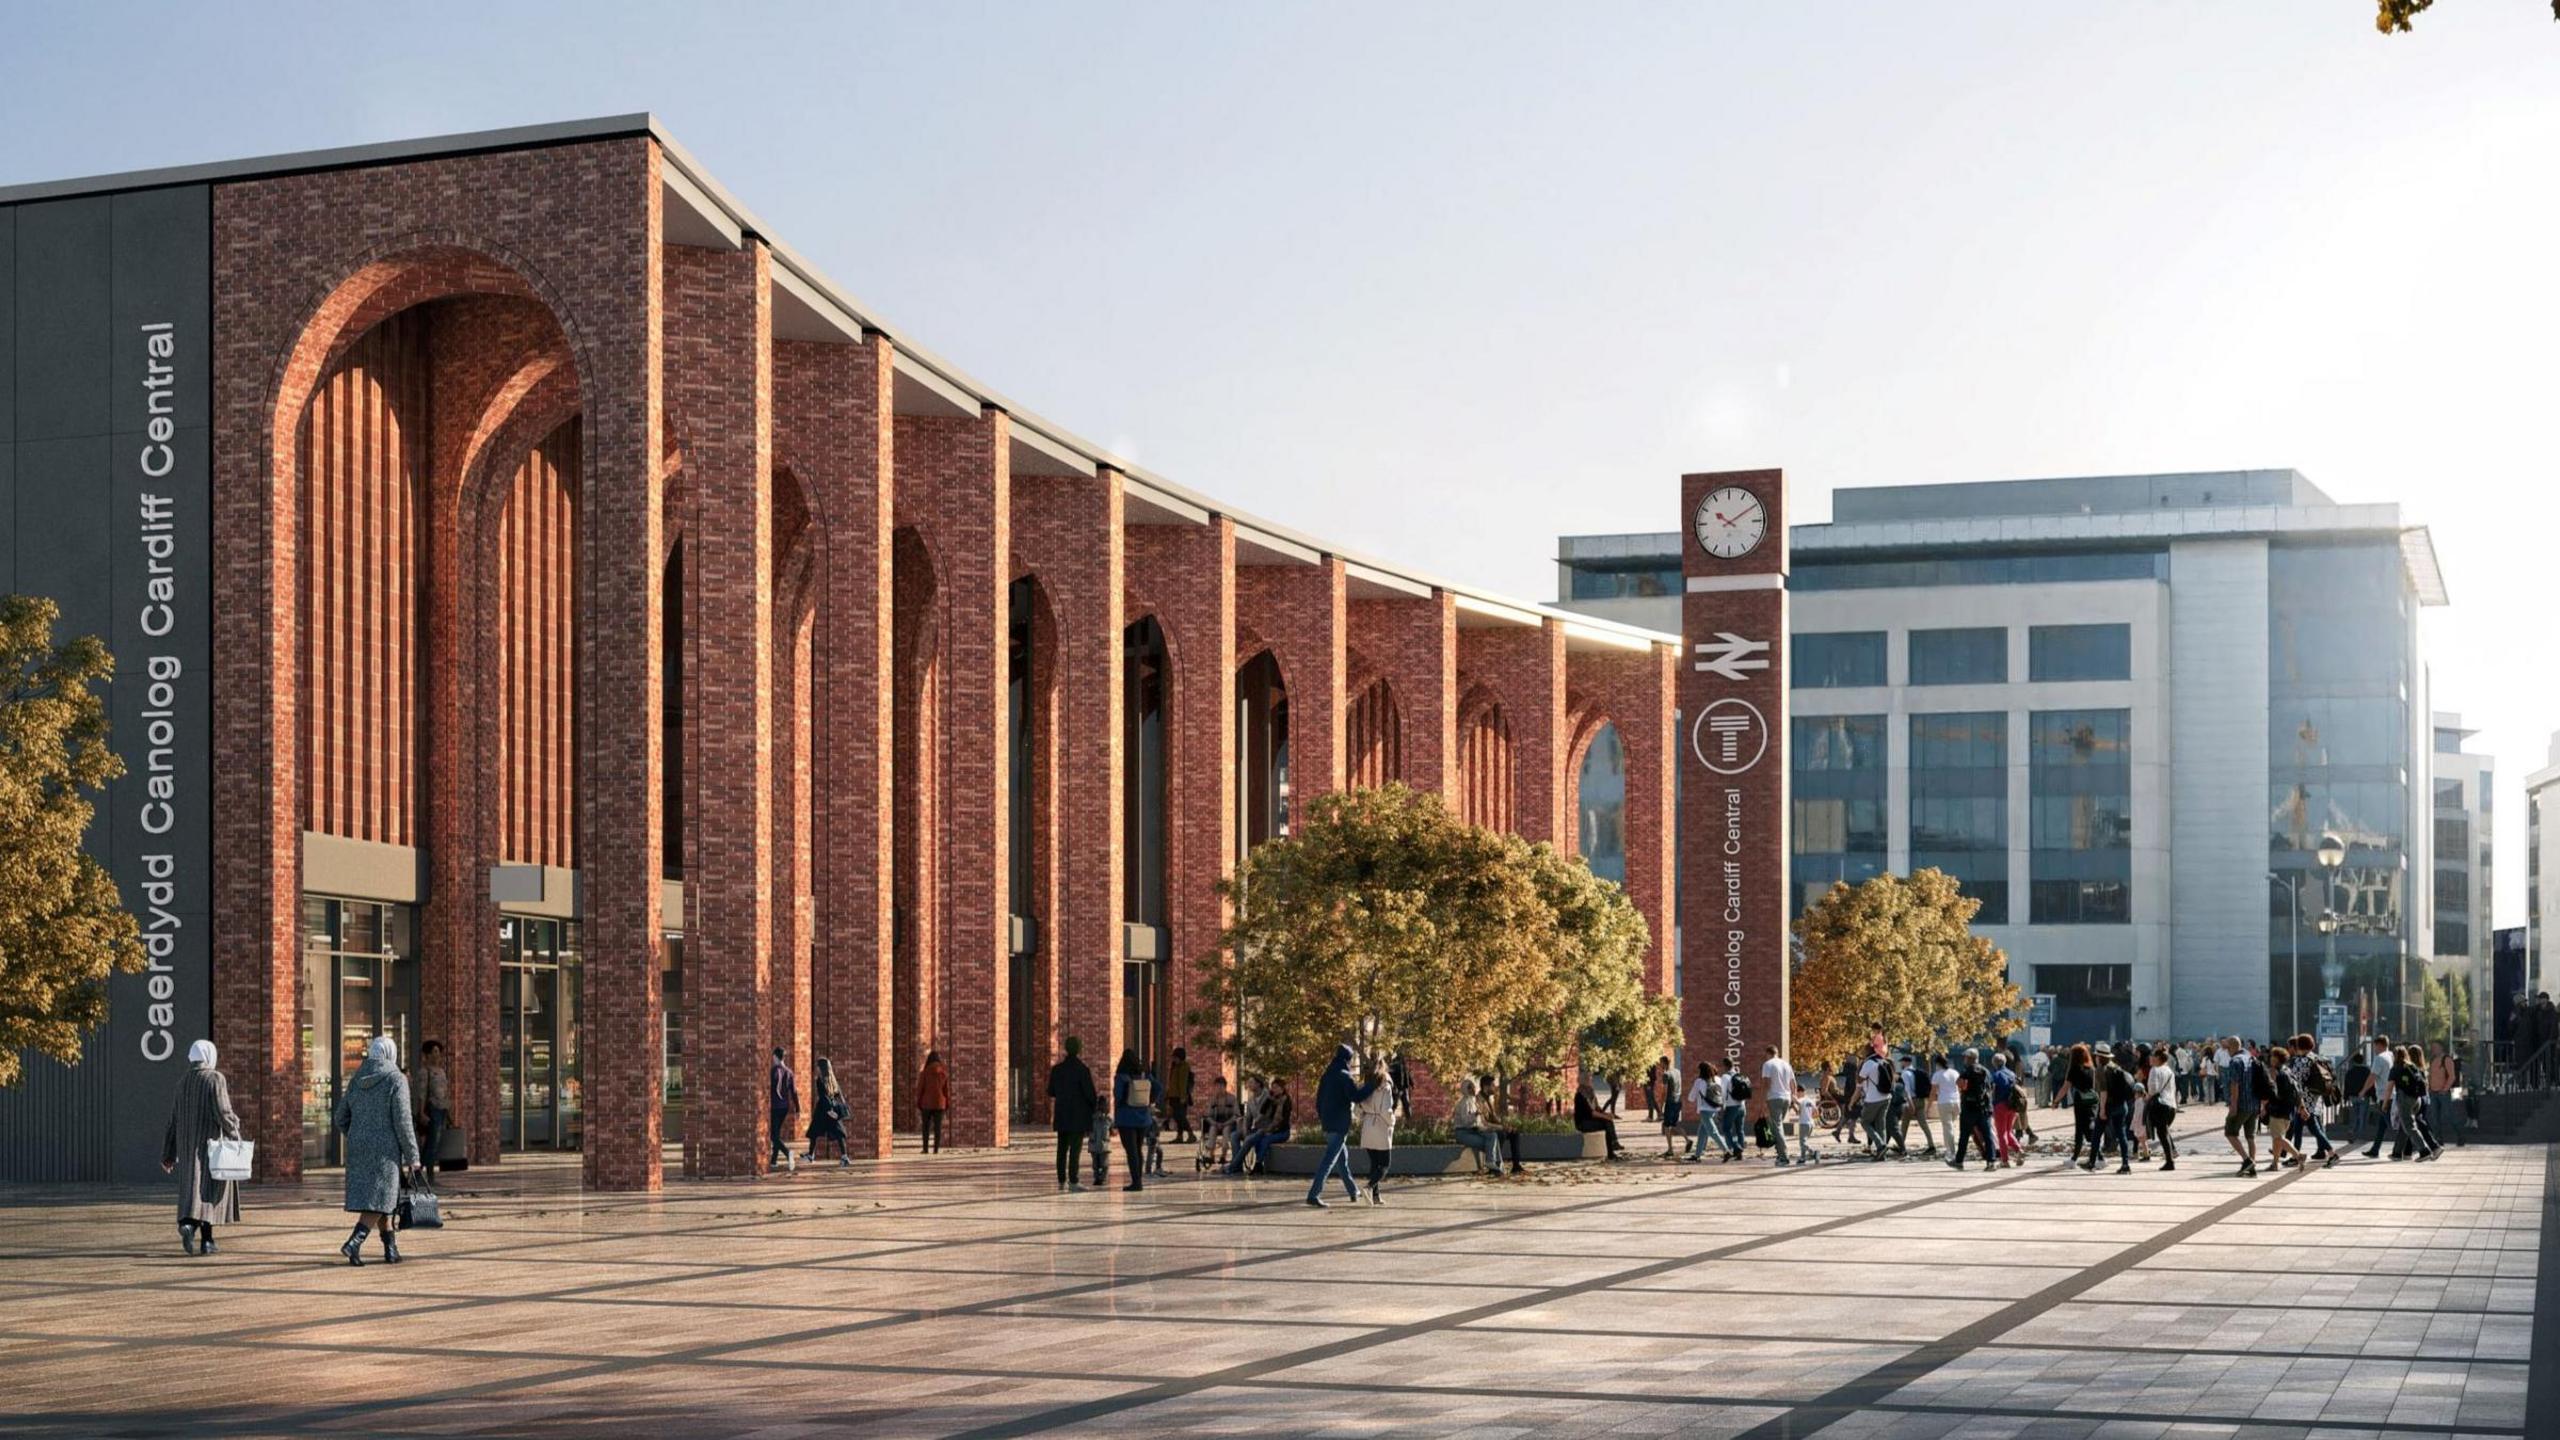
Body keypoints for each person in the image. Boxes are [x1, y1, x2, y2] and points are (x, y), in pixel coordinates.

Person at [335, 1034, 421, 1266]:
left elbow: (340, 1117)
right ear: (390, 1054)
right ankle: (354, 1242)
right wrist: (413, 1156)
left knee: (384, 1198)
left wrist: (356, 1135)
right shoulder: (396, 1079)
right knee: (380, 1198)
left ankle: (390, 1250)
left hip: (358, 1147)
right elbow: (403, 1122)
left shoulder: (357, 1078)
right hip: (385, 1151)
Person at [162, 1038, 242, 1255]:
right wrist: (235, 1132)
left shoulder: (182, 1082)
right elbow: (223, 1112)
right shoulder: (215, 1079)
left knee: (194, 1192)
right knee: (212, 1191)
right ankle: (202, 1237)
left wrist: (168, 1154)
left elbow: (173, 1120)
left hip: (188, 1150)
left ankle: (195, 1230)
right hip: (211, 1147)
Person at [1308, 1043, 1379, 1207]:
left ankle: (1353, 1191)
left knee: (1342, 1161)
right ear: (1348, 1059)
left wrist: (1323, 1117)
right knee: (1329, 1161)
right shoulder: (1345, 1076)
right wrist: (1372, 1085)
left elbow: (1318, 1101)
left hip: (1328, 1123)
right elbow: (1355, 1096)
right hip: (1339, 1124)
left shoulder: (1326, 1075)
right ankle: (1313, 1194)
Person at [1047, 1036, 1099, 1191]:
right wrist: (1093, 1107)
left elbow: (1051, 1091)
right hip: (1078, 1115)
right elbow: (1090, 1094)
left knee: (1061, 1148)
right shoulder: (1082, 1070)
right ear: (1078, 1049)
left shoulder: (1057, 1070)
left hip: (1062, 1114)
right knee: (1075, 1149)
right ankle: (1074, 1180)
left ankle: (1061, 1180)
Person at [1111, 1049, 1156, 1192]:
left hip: (1126, 1118)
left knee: (1131, 1151)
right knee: (1138, 1149)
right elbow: (1158, 1087)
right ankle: (1138, 1180)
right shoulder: (1144, 1075)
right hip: (1143, 1118)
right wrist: (1150, 1101)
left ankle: (1136, 1182)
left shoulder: (1121, 1077)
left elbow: (1117, 1096)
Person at [1232, 1075, 1294, 1175]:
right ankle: (1239, 1166)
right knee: (1236, 1135)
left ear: (1282, 1088)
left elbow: (1281, 1121)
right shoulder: (1271, 1099)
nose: (1274, 1090)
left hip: (1281, 1131)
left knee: (1263, 1139)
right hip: (1264, 1129)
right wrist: (1246, 1130)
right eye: (1273, 1087)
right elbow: (1262, 1112)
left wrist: (1269, 1131)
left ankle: (1257, 1164)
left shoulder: (1285, 1101)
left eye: (1277, 1087)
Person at [1356, 1055, 1398, 1203]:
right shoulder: (1385, 1085)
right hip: (1380, 1125)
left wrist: (1363, 1117)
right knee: (1385, 1165)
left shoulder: (1366, 1084)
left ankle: (1375, 1196)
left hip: (1368, 1125)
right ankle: (1369, 1187)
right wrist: (1392, 1121)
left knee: (1374, 1164)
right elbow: (1386, 1109)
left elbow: (1358, 1107)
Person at [1451, 1077, 1513, 1174]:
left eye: (1473, 1087)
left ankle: (1495, 1165)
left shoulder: (1473, 1101)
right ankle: (1494, 1166)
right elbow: (1465, 1122)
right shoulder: (1464, 1103)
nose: (1473, 1090)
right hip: (1463, 1133)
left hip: (1474, 1130)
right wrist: (1476, 1114)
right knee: (1489, 1143)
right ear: (1465, 1089)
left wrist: (1486, 1128)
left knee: (1493, 1135)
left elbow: (1479, 1122)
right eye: (1470, 1088)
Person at [413, 1039, 452, 1191]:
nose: (437, 1055)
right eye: (434, 1052)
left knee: (434, 1145)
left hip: (442, 1110)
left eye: (438, 1052)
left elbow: (446, 1094)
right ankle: (420, 1176)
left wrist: (450, 1115)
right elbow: (422, 1094)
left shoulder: (441, 1072)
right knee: (430, 1145)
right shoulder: (424, 1072)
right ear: (427, 1055)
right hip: (432, 1110)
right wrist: (421, 1112)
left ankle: (427, 1176)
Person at [2222, 1034, 2263, 1177]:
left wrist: (2233, 1105)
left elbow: (2235, 1084)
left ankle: (2247, 1160)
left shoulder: (2235, 1061)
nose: (2227, 1051)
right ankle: (2252, 1168)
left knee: (2230, 1132)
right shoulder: (2251, 1058)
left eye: (2227, 1048)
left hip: (2241, 1104)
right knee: (2250, 1136)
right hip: (2254, 1104)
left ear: (2232, 1047)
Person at [803, 1056, 852, 1165]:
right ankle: (844, 1157)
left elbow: (822, 1097)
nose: (817, 1068)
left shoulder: (820, 1080)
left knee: (814, 1132)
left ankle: (811, 1155)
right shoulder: (833, 1079)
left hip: (823, 1110)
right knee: (839, 1133)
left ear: (821, 1068)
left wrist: (829, 1110)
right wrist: (836, 1109)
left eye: (818, 1066)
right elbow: (838, 1094)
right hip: (832, 1109)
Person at [1760, 1045, 1799, 1166]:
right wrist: (1793, 1096)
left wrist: (1762, 1101)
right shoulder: (1786, 1064)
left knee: (1776, 1127)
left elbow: (1767, 1083)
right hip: (1786, 1097)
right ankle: (1780, 1153)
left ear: (1768, 1053)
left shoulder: (1768, 1064)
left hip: (1774, 1097)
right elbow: (1793, 1083)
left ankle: (1783, 1156)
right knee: (1777, 1126)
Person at [2360, 1035, 2397, 1158]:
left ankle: (2408, 1147)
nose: (2374, 1049)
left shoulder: (2379, 1058)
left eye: (2375, 1046)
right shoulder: (2391, 1055)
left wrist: (2363, 1090)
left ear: (2379, 1045)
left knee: (2393, 1126)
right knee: (2382, 1126)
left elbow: (2372, 1077)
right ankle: (2375, 1149)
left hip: (2385, 1096)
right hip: (2392, 1094)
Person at [2062, 1044, 2098, 1167]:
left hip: (2080, 1101)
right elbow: (2093, 1086)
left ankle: (2078, 1159)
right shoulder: (2091, 1068)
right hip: (2091, 1100)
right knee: (2086, 1131)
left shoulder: (2074, 1069)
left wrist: (2056, 1101)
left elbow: (2065, 1087)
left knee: (2083, 1131)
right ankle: (2078, 1158)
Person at [2145, 1044, 2179, 1172]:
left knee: (2162, 1133)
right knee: (2164, 1132)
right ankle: (2170, 1157)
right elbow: (2173, 1089)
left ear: (2158, 1058)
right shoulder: (2169, 1070)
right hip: (2171, 1105)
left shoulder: (2155, 1070)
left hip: (2160, 1105)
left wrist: (2147, 1096)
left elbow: (2153, 1089)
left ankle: (2170, 1161)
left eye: (2153, 1056)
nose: (2151, 1058)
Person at [1572, 1077, 1624, 1159]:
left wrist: (1607, 1114)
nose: (1591, 1081)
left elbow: (1597, 1108)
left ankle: (1612, 1147)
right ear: (1584, 1082)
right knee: (1606, 1123)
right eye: (1589, 1080)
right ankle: (1612, 1147)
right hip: (1583, 1122)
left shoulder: (1591, 1093)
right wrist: (1605, 1117)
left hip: (1591, 1120)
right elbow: (1591, 1113)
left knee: (1608, 1122)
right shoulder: (1580, 1095)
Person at [1990, 1051, 2026, 1166]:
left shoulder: (1996, 1075)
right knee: (2008, 1131)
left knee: (2001, 1134)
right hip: (2012, 1106)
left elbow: (1993, 1091)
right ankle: (2019, 1150)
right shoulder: (2011, 1073)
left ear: (1994, 1063)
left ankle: (2005, 1160)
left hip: (2000, 1106)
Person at [767, 1048, 798, 1167]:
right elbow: (794, 1092)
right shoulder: (789, 1072)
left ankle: (787, 1152)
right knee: (776, 1133)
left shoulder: (773, 1071)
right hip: (784, 1107)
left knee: (773, 1136)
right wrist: (798, 1108)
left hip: (775, 1106)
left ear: (775, 1056)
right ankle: (774, 1161)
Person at [915, 1050, 950, 1155]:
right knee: (937, 1127)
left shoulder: (924, 1073)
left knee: (925, 1126)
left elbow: (920, 1089)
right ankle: (936, 1149)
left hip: (926, 1103)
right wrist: (947, 1103)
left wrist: (918, 1102)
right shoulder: (943, 1073)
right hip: (940, 1103)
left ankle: (925, 1149)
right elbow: (946, 1090)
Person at [1930, 1054, 1962, 1158]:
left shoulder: (1937, 1075)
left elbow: (1933, 1092)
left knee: (1947, 1127)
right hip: (1956, 1101)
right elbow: (1960, 1087)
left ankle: (1951, 1150)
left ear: (1938, 1064)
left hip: (1944, 1102)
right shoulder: (1955, 1072)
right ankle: (1949, 1147)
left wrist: (1929, 1105)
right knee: (1951, 1126)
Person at [1163, 1047, 1195, 1143]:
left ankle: (1191, 1134)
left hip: (1180, 1096)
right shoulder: (1175, 1066)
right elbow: (1171, 1082)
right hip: (1173, 1096)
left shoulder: (1184, 1066)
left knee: (1180, 1116)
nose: (1174, 1059)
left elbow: (1183, 1082)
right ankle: (1180, 1136)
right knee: (1177, 1117)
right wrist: (1168, 1094)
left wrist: (1182, 1096)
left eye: (1175, 1057)